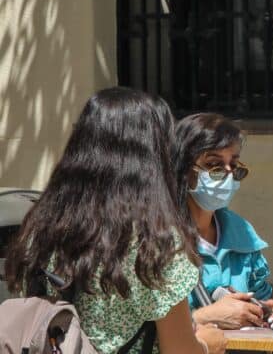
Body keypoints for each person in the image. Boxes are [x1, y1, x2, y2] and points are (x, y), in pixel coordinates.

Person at [5, 87, 226, 354]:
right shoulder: (153, 242)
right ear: (155, 156)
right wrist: (208, 346)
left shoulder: (43, 225)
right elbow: (179, 350)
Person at [171, 113, 273, 333]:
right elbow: (145, 327)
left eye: (233, 164)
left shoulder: (242, 234)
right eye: (214, 165)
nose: (228, 174)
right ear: (184, 170)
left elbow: (260, 304)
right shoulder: (160, 237)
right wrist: (203, 317)